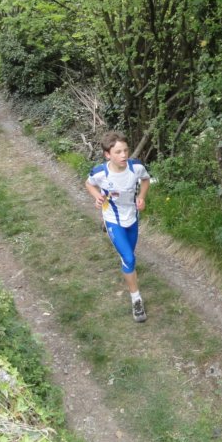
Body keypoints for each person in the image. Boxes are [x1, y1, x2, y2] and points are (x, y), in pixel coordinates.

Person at [85, 131, 151, 322]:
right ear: (108, 154)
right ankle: (136, 300)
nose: (124, 155)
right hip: (112, 218)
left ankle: (128, 268)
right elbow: (88, 184)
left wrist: (141, 197)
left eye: (125, 151)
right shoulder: (100, 173)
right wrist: (97, 197)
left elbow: (145, 180)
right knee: (129, 258)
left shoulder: (136, 167)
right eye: (118, 152)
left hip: (132, 218)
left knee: (130, 257)